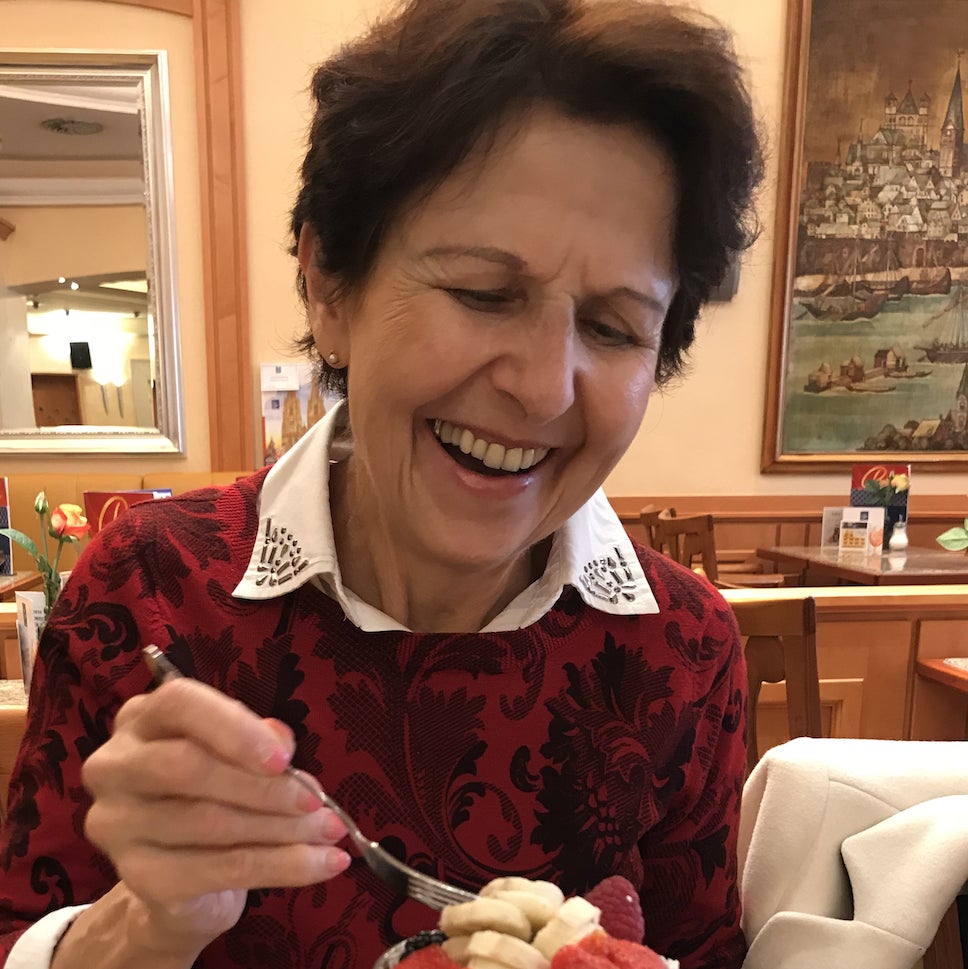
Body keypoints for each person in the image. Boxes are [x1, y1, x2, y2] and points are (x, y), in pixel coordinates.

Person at [0, 1, 762, 967]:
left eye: (613, 328)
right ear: (329, 284)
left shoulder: (684, 648)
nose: (542, 387)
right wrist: (143, 924)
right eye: (483, 293)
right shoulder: (150, 590)